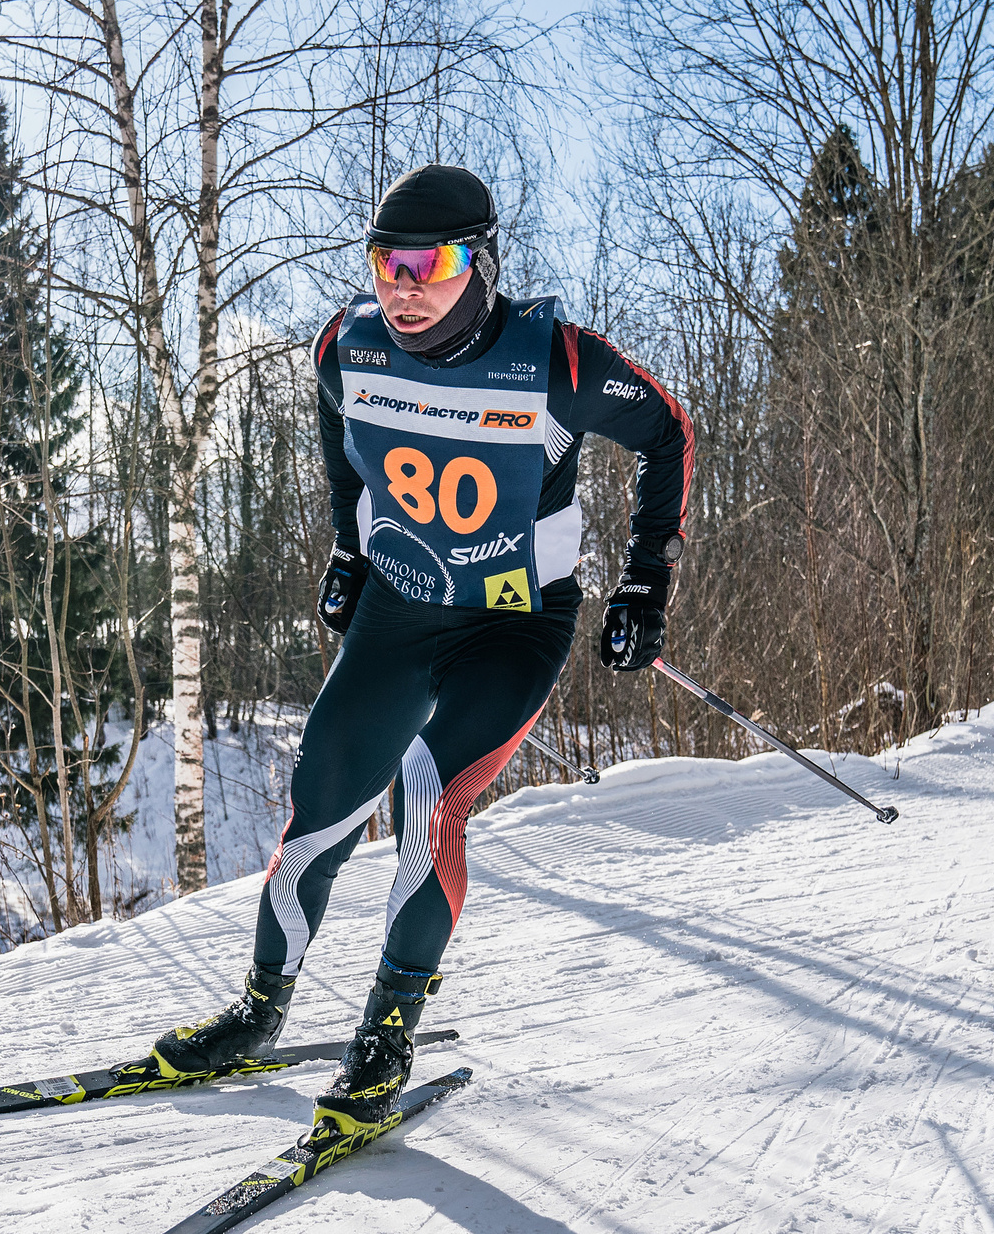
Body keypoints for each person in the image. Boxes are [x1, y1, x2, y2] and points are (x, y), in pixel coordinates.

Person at [134, 165, 694, 1148]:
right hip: (399, 611)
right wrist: (349, 556)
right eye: (383, 262)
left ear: (479, 261)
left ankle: (386, 1035)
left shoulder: (557, 359)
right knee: (319, 807)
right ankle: (258, 1014)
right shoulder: (343, 349)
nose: (401, 283)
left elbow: (665, 432)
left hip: (513, 623)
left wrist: (646, 578)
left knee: (429, 801)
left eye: (425, 264)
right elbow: (336, 444)